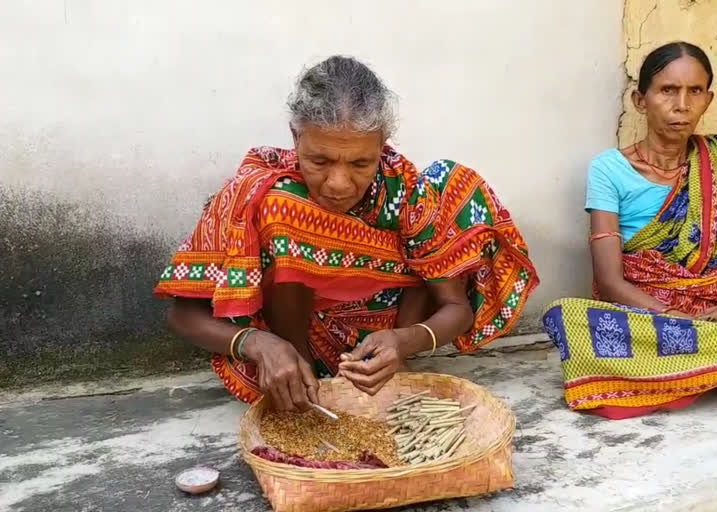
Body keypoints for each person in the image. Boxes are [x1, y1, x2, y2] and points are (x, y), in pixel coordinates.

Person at [155, 56, 538, 411]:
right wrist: (258, 344)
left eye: (360, 163)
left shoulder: (405, 193)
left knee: (448, 187)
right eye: (320, 160)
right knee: (284, 209)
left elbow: (457, 309)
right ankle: (303, 380)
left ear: (382, 143)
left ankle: (392, 372)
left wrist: (406, 341)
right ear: (295, 136)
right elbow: (183, 314)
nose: (339, 183)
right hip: (291, 351)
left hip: (380, 344)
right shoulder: (256, 191)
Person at [543, 41, 717, 419]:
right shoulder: (609, 170)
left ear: (708, 99)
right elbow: (611, 282)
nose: (682, 104)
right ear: (640, 100)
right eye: (667, 90)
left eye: (694, 91)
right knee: (566, 315)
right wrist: (686, 319)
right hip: (654, 319)